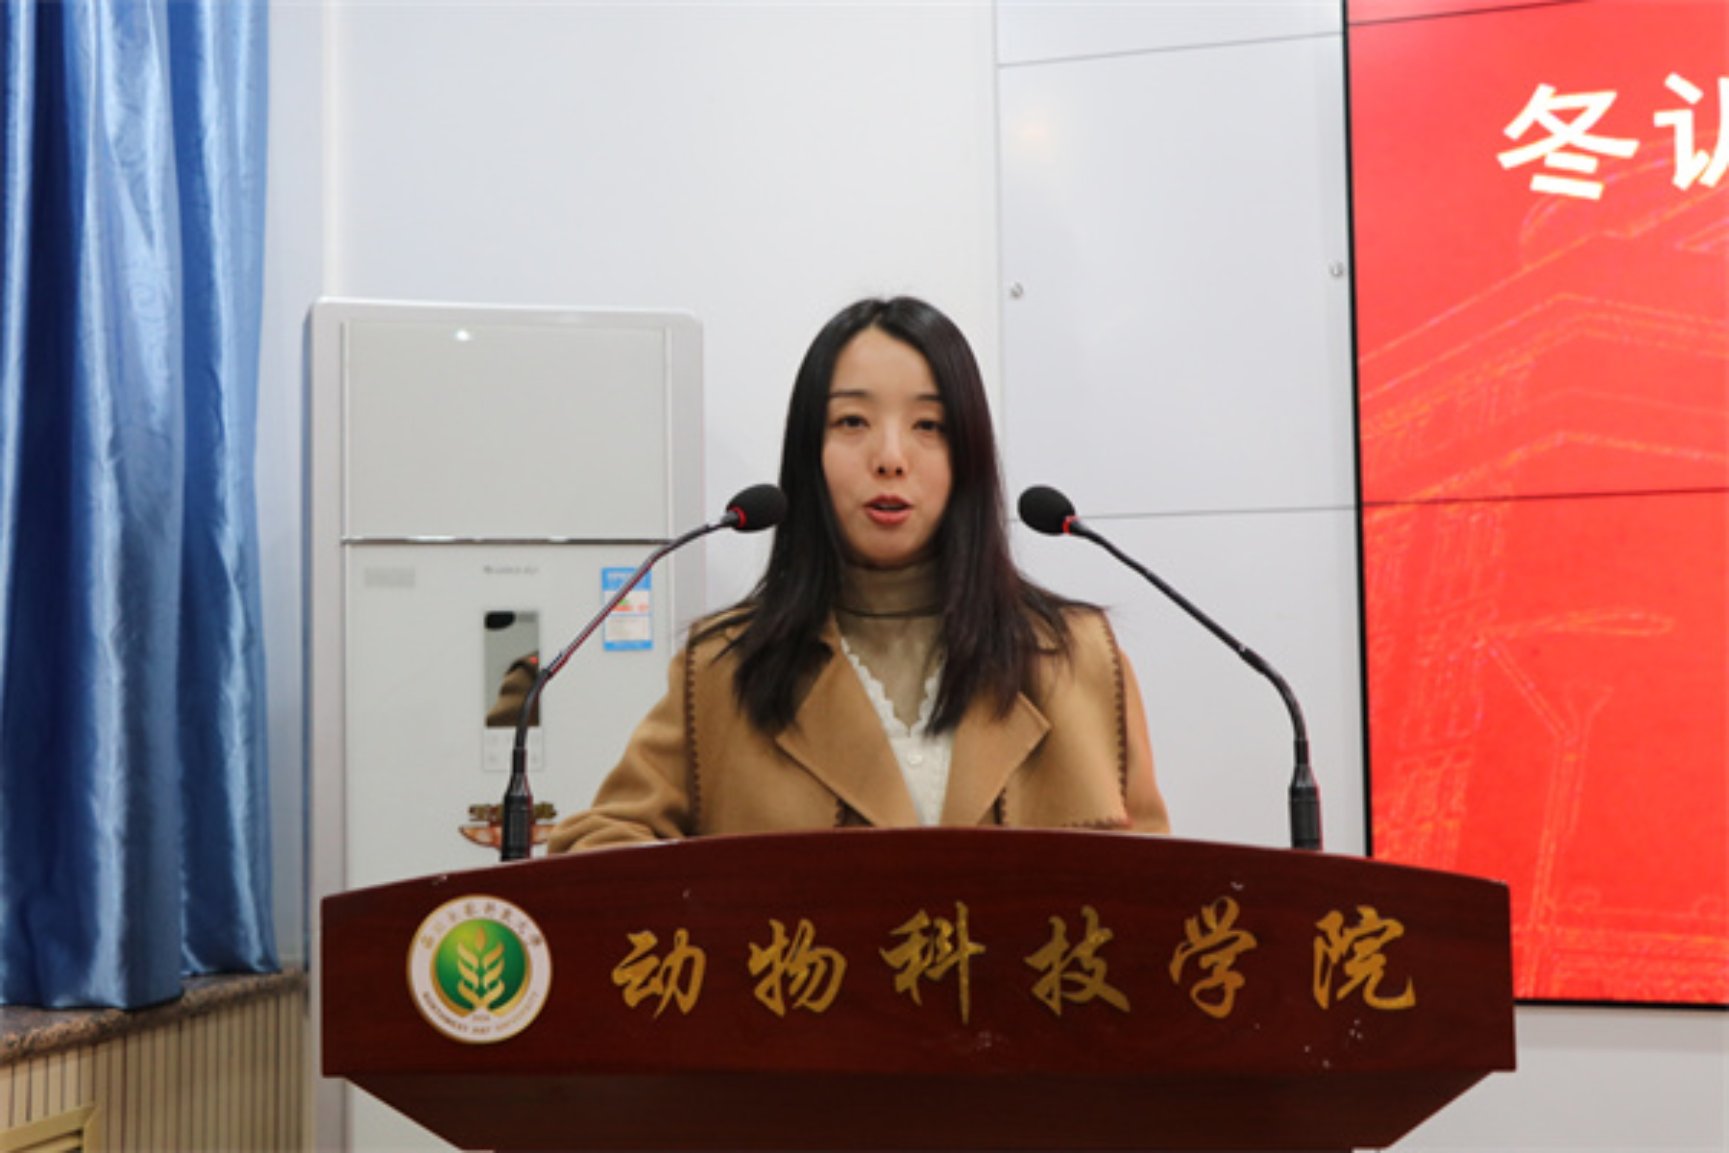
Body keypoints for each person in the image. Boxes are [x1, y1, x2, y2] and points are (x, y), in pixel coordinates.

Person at [548, 296, 1167, 851]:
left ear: (969, 456)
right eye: (852, 422)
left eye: (929, 426)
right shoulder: (724, 670)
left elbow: (1162, 889)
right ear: (808, 454)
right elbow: (596, 845)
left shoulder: (1080, 659)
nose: (890, 458)